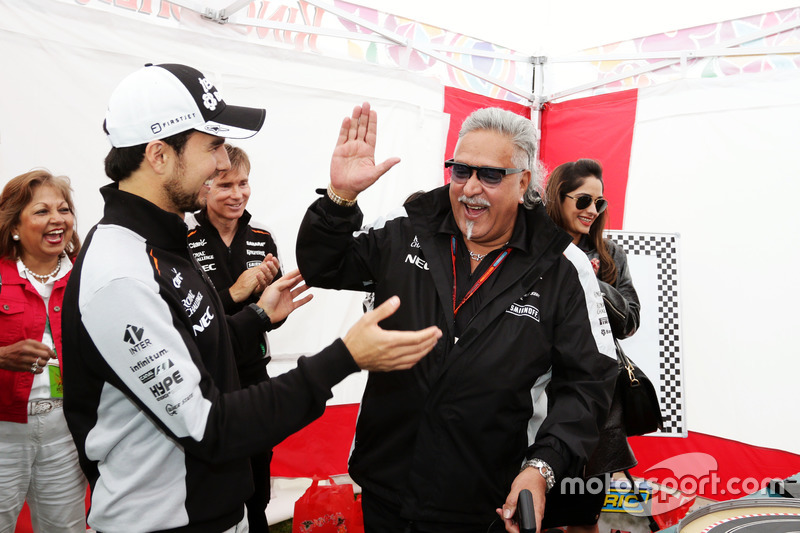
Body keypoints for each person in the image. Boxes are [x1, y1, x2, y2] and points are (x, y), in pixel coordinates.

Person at [61, 63, 442, 533]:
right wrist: (344, 358)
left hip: (214, 509)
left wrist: (259, 316)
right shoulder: (121, 273)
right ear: (159, 155)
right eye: (213, 145)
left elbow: (196, 347)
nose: (224, 163)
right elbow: (208, 426)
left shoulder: (162, 242)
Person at [296, 104, 619, 533]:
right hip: (387, 487)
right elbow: (323, 265)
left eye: (491, 176)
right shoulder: (407, 228)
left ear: (524, 183)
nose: (471, 188)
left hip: (486, 502)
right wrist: (339, 200)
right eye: (461, 171)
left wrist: (543, 466)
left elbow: (588, 384)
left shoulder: (563, 266)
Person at [185, 143, 282, 532]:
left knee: (258, 470)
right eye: (226, 185)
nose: (237, 194)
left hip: (253, 372)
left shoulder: (262, 237)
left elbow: (273, 316)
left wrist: (273, 302)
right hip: (204, 374)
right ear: (204, 186)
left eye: (243, 183)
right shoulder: (184, 238)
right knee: (212, 468)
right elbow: (185, 316)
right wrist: (235, 293)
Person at [541, 159, 641, 533]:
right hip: (538, 403)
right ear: (558, 197)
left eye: (599, 203)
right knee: (535, 514)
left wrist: (586, 275)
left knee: (583, 518)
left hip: (593, 410)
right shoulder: (534, 250)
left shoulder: (609, 255)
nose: (592, 210)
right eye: (583, 200)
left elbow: (629, 321)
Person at [0, 170, 87, 532]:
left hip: (65, 431)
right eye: (41, 211)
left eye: (64, 209)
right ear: (14, 226)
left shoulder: (88, 274)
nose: (57, 219)